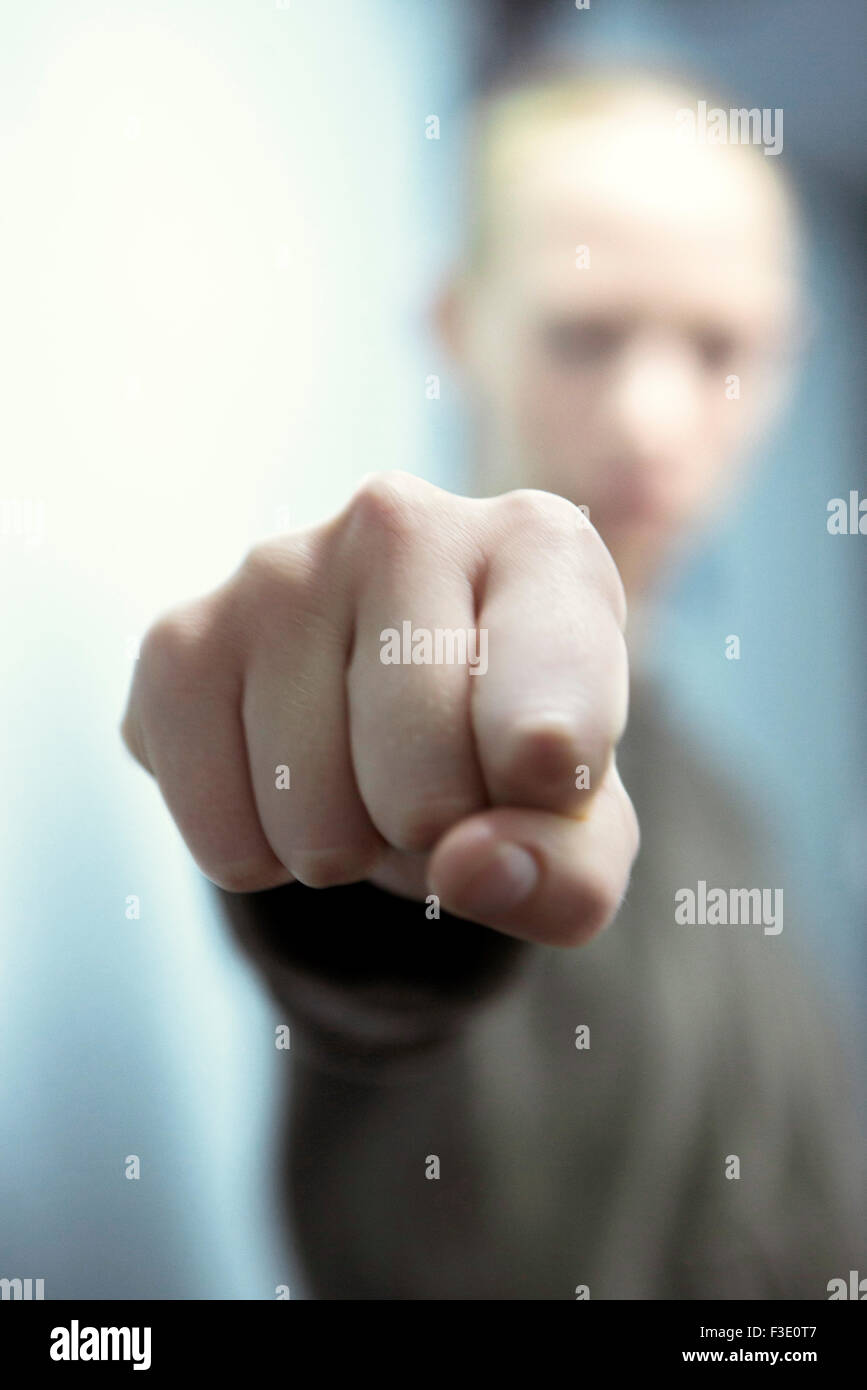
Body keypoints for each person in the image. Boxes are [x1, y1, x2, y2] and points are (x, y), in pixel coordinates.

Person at [121, 69, 864, 1298]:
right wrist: (358, 848)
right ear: (462, 328)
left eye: (720, 346)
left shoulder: (734, 815)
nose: (649, 413)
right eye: (585, 332)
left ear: (786, 365)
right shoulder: (406, 692)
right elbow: (378, 954)